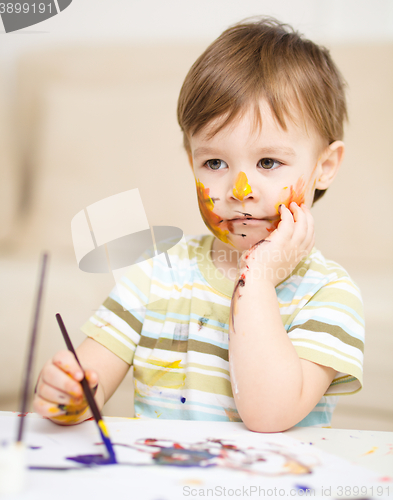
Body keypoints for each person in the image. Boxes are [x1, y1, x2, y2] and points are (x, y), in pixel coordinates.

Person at [33, 17, 364, 432]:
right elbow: (90, 386)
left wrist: (258, 281)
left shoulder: (329, 295)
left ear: (325, 167)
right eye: (214, 162)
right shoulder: (158, 273)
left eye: (268, 162)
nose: (239, 189)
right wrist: (70, 396)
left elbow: (268, 415)